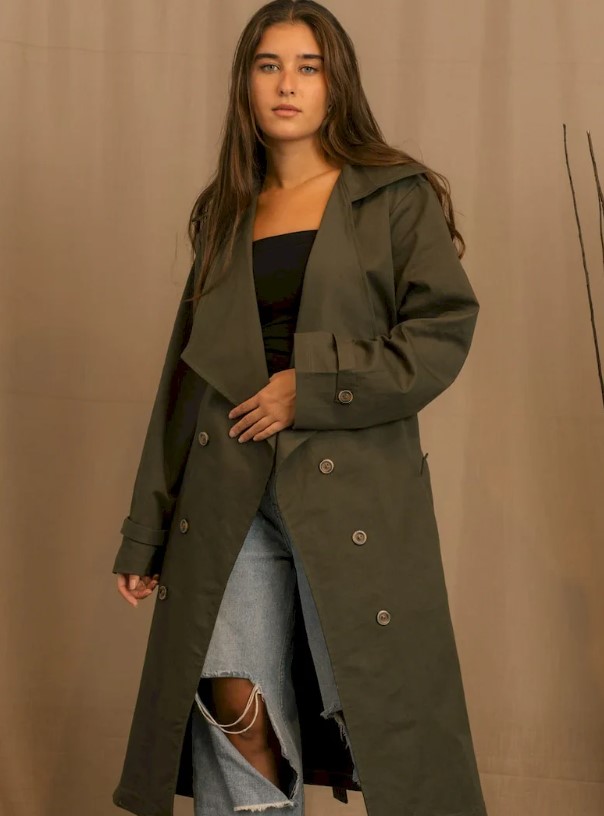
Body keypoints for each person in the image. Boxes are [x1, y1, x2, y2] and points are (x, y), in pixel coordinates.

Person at [112, 2, 488, 816]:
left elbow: (441, 332)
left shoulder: (394, 196)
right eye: (269, 65)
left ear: (334, 84)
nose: (288, 84)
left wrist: (308, 389)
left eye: (308, 67)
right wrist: (147, 528)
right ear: (245, 83)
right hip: (229, 495)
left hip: (354, 494)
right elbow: (185, 382)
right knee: (233, 704)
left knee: (380, 708)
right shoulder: (225, 212)